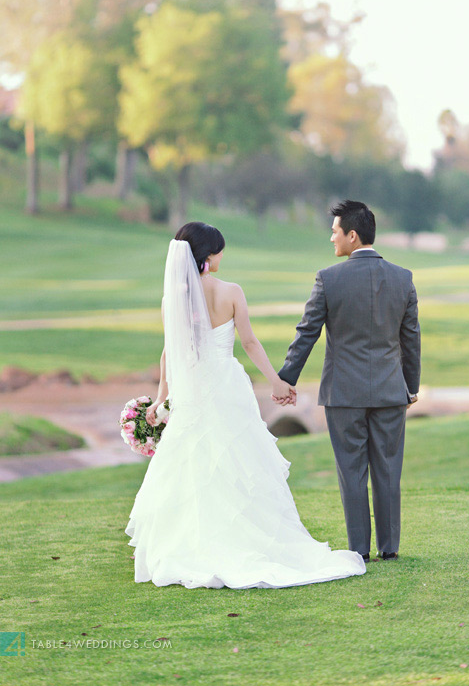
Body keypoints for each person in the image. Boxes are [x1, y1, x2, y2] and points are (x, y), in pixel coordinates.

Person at [124, 221, 366, 589]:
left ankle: (192, 547)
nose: (222, 256)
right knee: (238, 460)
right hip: (224, 385)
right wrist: (277, 381)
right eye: (219, 250)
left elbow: (167, 353)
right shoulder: (231, 291)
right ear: (208, 255)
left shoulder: (172, 298)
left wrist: (161, 399)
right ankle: (243, 540)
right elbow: (250, 343)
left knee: (195, 462)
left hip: (191, 391)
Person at [278, 200, 421, 563]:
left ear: (352, 236)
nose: (332, 238)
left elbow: (306, 332)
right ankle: (389, 548)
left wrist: (286, 379)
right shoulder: (403, 278)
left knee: (352, 472)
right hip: (391, 391)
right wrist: (411, 385)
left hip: (343, 393)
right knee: (388, 470)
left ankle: (359, 550)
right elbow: (411, 339)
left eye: (335, 231)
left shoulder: (328, 278)